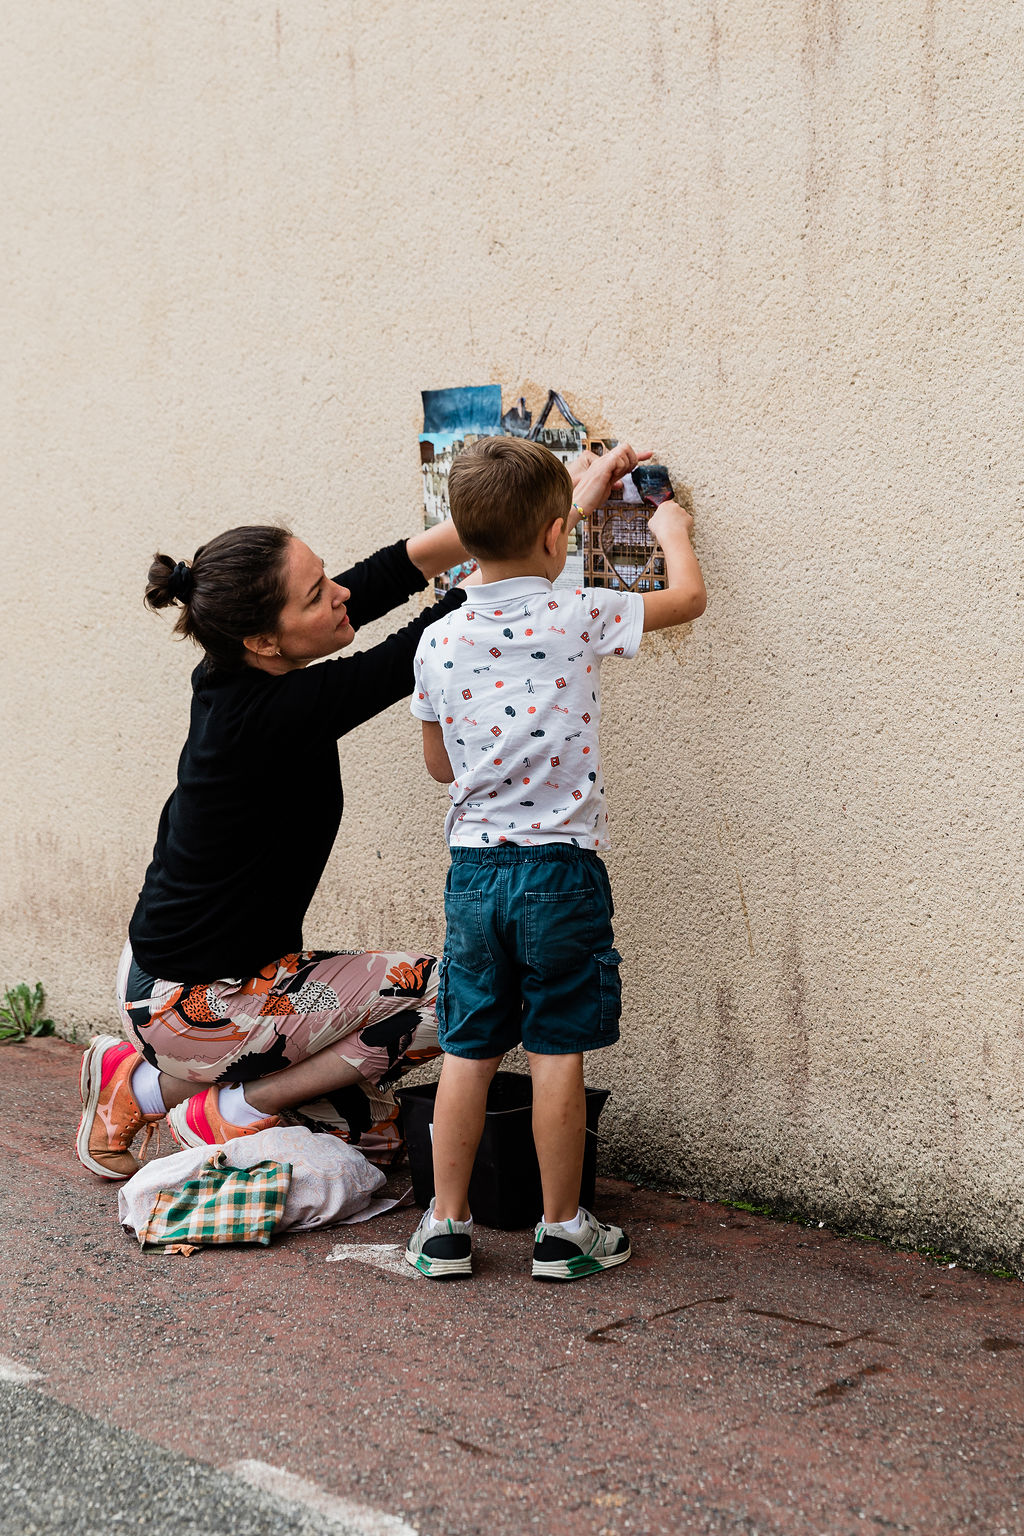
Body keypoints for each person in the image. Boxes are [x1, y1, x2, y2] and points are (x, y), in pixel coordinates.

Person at [76, 515, 481, 1179]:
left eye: (326, 577)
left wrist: (505, 512)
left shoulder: (240, 666)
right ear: (264, 638)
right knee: (464, 992)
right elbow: (428, 641)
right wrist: (537, 540)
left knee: (371, 1122)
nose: (340, 594)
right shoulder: (268, 716)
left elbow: (388, 574)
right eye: (318, 592)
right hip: (196, 1005)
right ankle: (235, 1107)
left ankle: (146, 1085)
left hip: (169, 980)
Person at [403, 437, 707, 1281]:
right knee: (555, 1048)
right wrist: (670, 524)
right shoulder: (578, 613)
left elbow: (440, 767)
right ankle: (563, 1229)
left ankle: (445, 1227)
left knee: (469, 1045)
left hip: (474, 870)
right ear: (555, 535)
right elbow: (687, 598)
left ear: (461, 539)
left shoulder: (436, 640)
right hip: (561, 871)